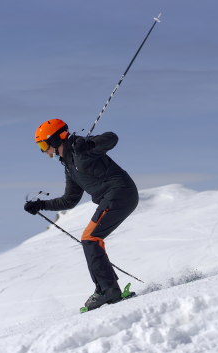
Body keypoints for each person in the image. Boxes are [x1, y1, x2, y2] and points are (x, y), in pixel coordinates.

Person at [24, 119, 139, 310]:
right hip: (113, 197)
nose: (43, 151)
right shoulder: (69, 165)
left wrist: (89, 144)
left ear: (54, 140)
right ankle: (107, 289)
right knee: (90, 238)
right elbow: (70, 200)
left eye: (43, 145)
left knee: (90, 238)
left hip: (120, 192)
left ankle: (108, 290)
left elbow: (111, 138)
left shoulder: (80, 149)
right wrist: (40, 205)